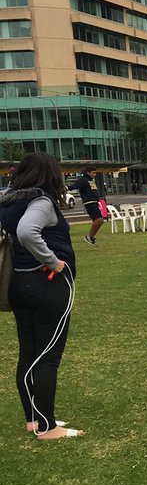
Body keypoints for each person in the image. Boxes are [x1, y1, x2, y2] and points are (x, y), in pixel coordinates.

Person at [0, 152, 82, 439]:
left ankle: (34, 419)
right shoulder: (41, 201)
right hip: (45, 284)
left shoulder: (10, 200)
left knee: (29, 352)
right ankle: (46, 427)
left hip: (19, 283)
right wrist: (52, 261)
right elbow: (27, 232)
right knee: (48, 355)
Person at [73, 165, 106, 246]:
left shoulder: (91, 181)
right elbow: (73, 186)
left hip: (94, 202)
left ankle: (91, 237)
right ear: (88, 172)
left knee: (101, 221)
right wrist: (65, 188)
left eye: (95, 173)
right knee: (98, 219)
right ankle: (89, 236)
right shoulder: (83, 180)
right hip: (89, 202)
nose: (95, 175)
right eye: (93, 173)